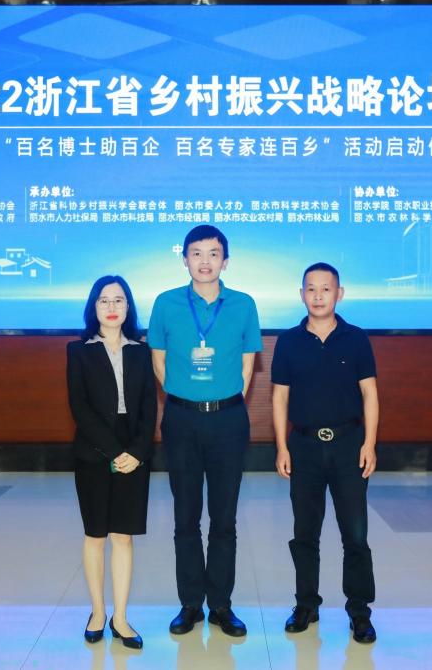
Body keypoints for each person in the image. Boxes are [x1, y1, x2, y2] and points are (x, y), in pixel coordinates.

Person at [147, 225, 262, 637]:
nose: (205, 261)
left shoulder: (244, 305)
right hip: (181, 419)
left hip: (228, 420)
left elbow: (247, 366)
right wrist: (186, 397)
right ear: (185, 259)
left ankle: (222, 606)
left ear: (225, 261)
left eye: (213, 253)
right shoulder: (166, 303)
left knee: (224, 518)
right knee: (185, 516)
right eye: (196, 253)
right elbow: (158, 361)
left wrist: (222, 401)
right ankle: (190, 604)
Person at [271, 262, 379, 644]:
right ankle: (306, 605)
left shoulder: (356, 339)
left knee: (355, 534)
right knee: (305, 532)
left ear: (339, 294)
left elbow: (370, 394)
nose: (318, 296)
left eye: (326, 289)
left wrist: (369, 443)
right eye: (311, 289)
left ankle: (359, 612)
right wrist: (282, 446)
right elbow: (279, 397)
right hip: (304, 447)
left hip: (350, 446)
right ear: (301, 294)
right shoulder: (288, 342)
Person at [66, 275, 157, 650]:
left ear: (128, 307)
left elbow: (149, 407)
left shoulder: (141, 352)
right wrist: (114, 452)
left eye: (119, 300)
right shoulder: (78, 350)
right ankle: (98, 612)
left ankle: (120, 617)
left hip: (134, 450)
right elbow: (80, 407)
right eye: (104, 300)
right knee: (96, 534)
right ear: (94, 307)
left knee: (123, 535)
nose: (112, 307)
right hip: (93, 450)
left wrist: (136, 452)